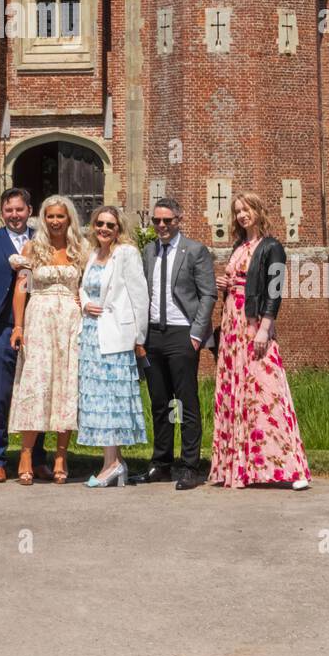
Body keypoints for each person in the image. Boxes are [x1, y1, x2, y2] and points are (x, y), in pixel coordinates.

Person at [209, 191, 310, 490]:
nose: (242, 215)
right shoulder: (239, 246)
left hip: (254, 325)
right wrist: (225, 284)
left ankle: (292, 468)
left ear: (259, 210)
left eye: (247, 209)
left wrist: (265, 328)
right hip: (232, 325)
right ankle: (241, 467)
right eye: (238, 210)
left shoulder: (272, 247)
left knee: (268, 392)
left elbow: (274, 291)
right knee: (237, 393)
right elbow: (240, 282)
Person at [8, 195, 88, 486]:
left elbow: (88, 285)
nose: (55, 221)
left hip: (70, 321)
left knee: (65, 385)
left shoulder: (81, 249)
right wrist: (18, 326)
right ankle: (26, 454)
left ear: (69, 219)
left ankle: (61, 456)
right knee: (36, 385)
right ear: (43, 218)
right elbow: (22, 288)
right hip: (39, 319)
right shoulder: (33, 247)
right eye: (51, 216)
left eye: (61, 216)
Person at [0, 188, 51, 483]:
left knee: (35, 394)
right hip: (0, 328)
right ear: (2, 212)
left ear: (29, 210)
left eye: (20, 209)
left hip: (37, 326)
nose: (15, 215)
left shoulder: (41, 241)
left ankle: (37, 458)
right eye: (9, 210)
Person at [139, 198, 217, 490]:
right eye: (157, 221)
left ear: (178, 219)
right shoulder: (148, 251)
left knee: (184, 402)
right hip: (153, 335)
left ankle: (188, 466)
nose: (162, 226)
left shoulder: (195, 250)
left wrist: (197, 334)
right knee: (160, 401)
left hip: (182, 333)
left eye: (167, 221)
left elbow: (208, 294)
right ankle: (161, 462)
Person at [77, 205, 149, 487]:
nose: (104, 229)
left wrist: (139, 337)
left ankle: (113, 464)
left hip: (117, 335)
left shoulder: (127, 254)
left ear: (119, 229)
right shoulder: (92, 254)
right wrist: (85, 303)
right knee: (98, 399)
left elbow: (139, 296)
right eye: (100, 224)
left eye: (110, 225)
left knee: (112, 402)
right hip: (92, 335)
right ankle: (112, 463)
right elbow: (83, 287)